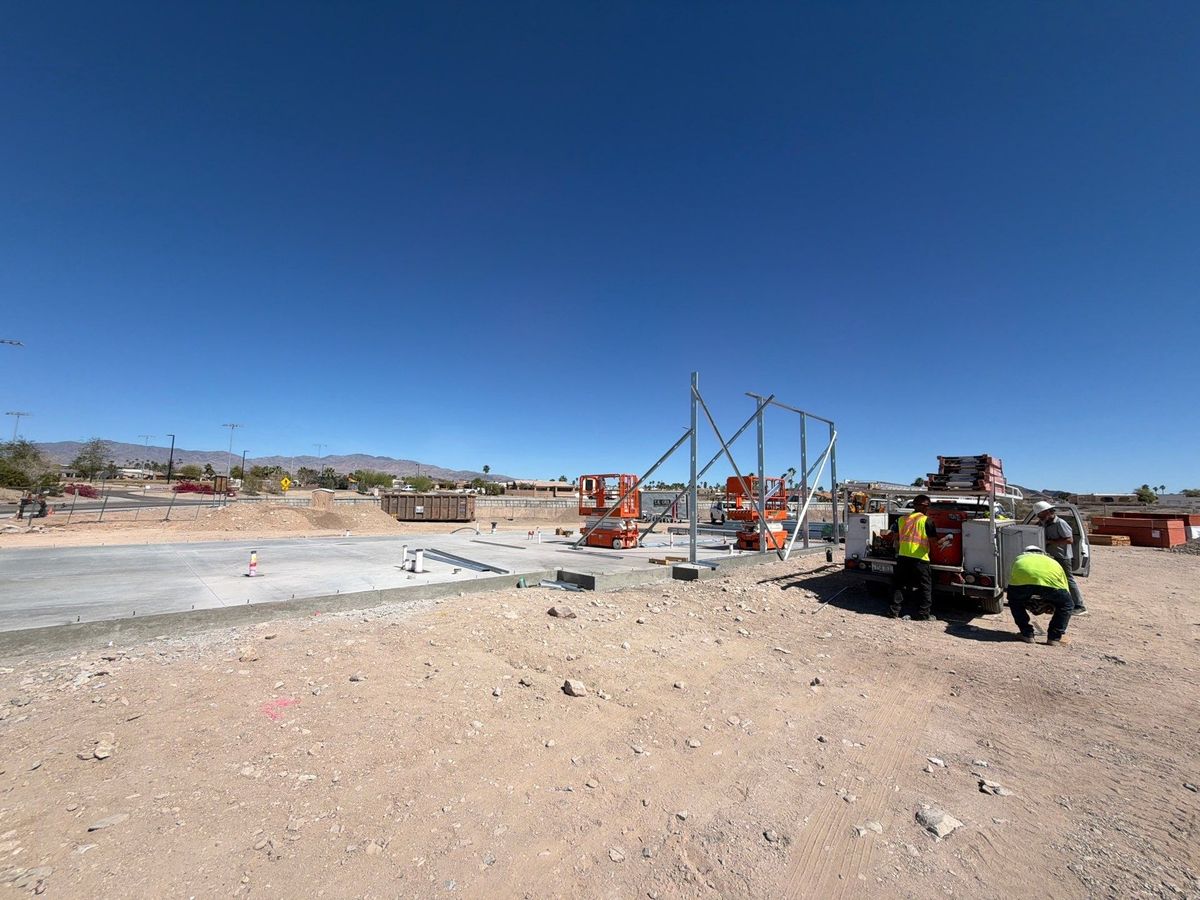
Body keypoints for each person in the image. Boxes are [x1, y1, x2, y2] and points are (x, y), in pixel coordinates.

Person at [890, 494, 950, 620]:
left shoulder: (901, 519)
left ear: (914, 505)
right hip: (920, 559)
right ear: (925, 507)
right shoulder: (927, 521)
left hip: (903, 556)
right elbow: (934, 543)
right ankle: (923, 614)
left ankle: (894, 611)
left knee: (899, 584)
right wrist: (946, 539)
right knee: (925, 587)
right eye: (928, 506)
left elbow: (895, 538)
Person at [1007, 544, 1073, 646]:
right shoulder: (1052, 561)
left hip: (1022, 584)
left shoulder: (1019, 558)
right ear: (1043, 553)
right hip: (1051, 586)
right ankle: (1054, 638)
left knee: (1014, 602)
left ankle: (1027, 634)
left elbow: (1012, 577)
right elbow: (1064, 586)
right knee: (1067, 605)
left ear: (1025, 552)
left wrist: (1014, 595)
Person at [1031, 501, 1087, 614]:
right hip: (1050, 556)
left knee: (1068, 579)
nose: (1039, 517)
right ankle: (1053, 602)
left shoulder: (1060, 523)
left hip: (1062, 556)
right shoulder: (1044, 523)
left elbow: (1069, 540)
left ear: (1047, 512)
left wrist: (1050, 542)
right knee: (1051, 579)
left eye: (1040, 515)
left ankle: (1079, 606)